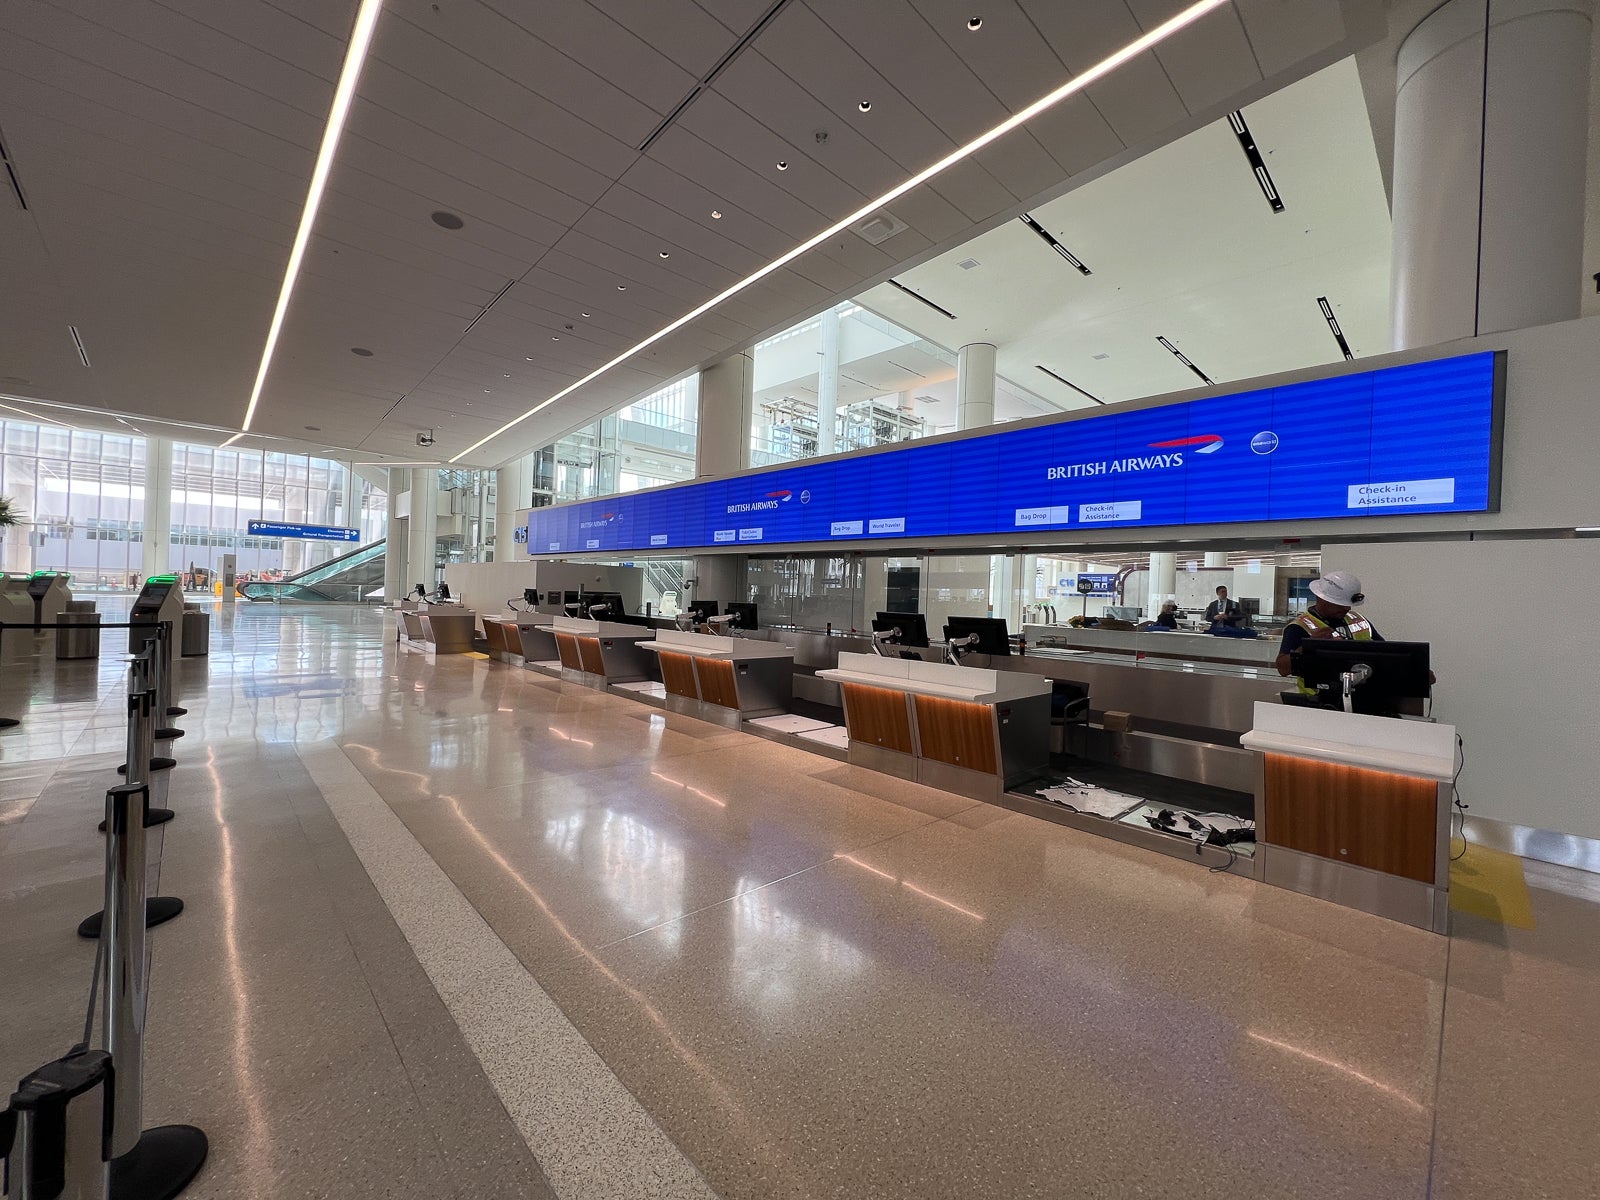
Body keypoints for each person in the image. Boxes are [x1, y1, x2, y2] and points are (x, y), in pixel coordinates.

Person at [1275, 570, 1381, 693]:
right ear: (1321, 598)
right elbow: (1282, 669)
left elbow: (1386, 655)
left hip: (1361, 696)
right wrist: (1310, 646)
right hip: (1318, 701)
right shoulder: (1299, 627)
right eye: (1340, 604)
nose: (1346, 608)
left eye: (1348, 604)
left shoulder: (1358, 620)